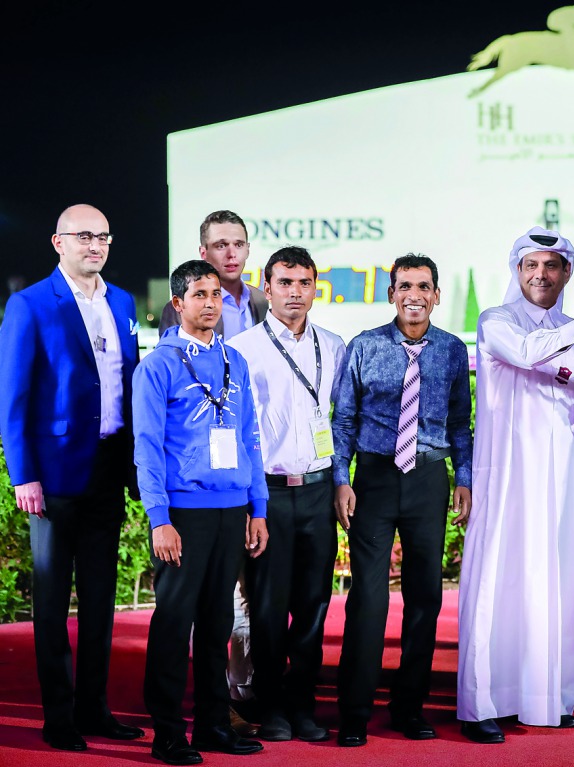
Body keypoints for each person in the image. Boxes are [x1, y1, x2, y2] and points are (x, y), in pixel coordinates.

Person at [456, 227, 574, 745]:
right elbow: (530, 353)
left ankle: (545, 699)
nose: (541, 275)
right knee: (495, 584)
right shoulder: (496, 323)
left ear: (566, 273)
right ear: (517, 271)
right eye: (531, 265)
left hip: (557, 481)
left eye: (551, 266)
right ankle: (480, 704)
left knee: (552, 584)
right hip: (505, 478)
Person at [0, 205, 143, 751]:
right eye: (84, 236)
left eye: (104, 236)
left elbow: (128, 385)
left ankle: (94, 709)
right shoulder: (30, 304)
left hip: (109, 467)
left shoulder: (123, 302)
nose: (96, 245)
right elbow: (12, 397)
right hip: (53, 477)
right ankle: (58, 716)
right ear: (58, 241)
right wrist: (23, 474)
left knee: (102, 603)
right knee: (53, 605)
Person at [331, 254, 472, 747]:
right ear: (391, 293)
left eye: (424, 286)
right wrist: (340, 481)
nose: (414, 294)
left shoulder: (454, 351)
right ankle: (354, 711)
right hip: (372, 478)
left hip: (429, 479)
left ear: (437, 295)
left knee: (425, 599)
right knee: (368, 600)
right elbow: (343, 421)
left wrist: (464, 479)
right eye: (405, 286)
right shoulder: (365, 346)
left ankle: (409, 707)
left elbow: (459, 424)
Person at [135, 260, 269, 764]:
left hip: (232, 509)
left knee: (217, 623)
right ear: (178, 304)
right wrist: (159, 518)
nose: (211, 303)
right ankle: (167, 732)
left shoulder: (235, 361)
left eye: (216, 294)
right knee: (173, 622)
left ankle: (215, 725)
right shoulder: (158, 366)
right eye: (199, 294)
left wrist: (258, 508)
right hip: (183, 515)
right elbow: (146, 447)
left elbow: (250, 439)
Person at [226, 247, 347, 743]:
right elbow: (235, 432)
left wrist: (341, 481)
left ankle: (303, 705)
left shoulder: (335, 346)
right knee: (270, 607)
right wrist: (253, 506)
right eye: (284, 282)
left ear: (316, 285)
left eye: (304, 282)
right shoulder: (244, 350)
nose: (295, 292)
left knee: (315, 605)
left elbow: (342, 422)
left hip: (319, 491)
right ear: (267, 286)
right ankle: (271, 705)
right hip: (270, 495)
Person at [159, 210, 269, 339]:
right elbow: (173, 356)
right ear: (203, 253)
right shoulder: (181, 307)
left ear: (247, 250)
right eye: (221, 246)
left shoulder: (261, 300)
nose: (232, 254)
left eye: (239, 245)